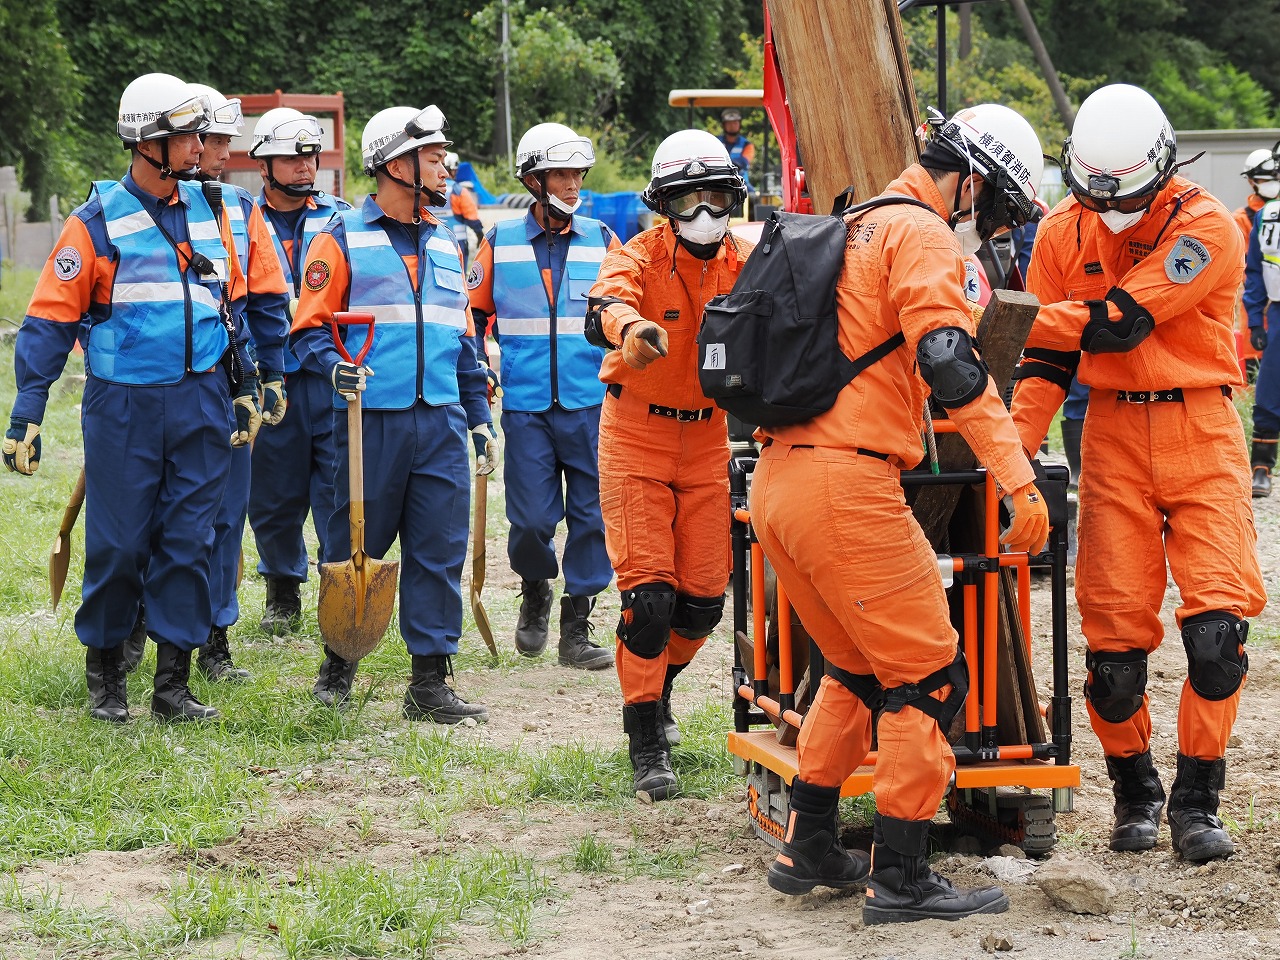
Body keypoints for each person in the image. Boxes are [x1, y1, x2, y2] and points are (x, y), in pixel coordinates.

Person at [749, 104, 1047, 923]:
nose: (997, 229)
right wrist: (1018, 477)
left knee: (852, 667)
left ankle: (809, 842)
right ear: (974, 182)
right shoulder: (919, 234)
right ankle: (903, 877)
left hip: (779, 482)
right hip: (846, 488)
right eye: (1001, 210)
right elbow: (949, 361)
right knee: (931, 675)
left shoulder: (853, 224)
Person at [1010, 84, 1265, 862]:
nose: (1110, 211)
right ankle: (1135, 793)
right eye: (1095, 195)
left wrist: (1011, 310)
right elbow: (1050, 357)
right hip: (1114, 434)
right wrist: (1010, 447)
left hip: (1201, 428)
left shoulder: (1206, 227)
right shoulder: (1060, 231)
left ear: (1162, 167)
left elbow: (1117, 323)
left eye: (1125, 196)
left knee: (1218, 637)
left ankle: (1197, 800)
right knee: (1113, 657)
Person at [3, 73, 261, 722]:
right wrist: (26, 415)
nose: (201, 144)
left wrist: (249, 383)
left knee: (189, 541)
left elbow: (229, 307)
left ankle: (172, 688)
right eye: (188, 135)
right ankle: (107, 680)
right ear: (149, 141)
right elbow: (49, 323)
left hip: (203, 401)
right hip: (124, 410)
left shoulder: (215, 212)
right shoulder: (93, 224)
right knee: (118, 545)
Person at [291, 105, 495, 723]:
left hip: (439, 421)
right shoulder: (341, 236)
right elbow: (307, 329)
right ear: (394, 164)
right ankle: (339, 659)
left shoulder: (447, 237)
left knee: (439, 547)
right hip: (366, 418)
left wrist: (479, 414)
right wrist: (333, 366)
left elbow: (458, 336)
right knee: (354, 538)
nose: (444, 165)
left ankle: (430, 681)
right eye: (432, 156)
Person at [584, 129, 752, 799]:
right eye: (689, 200)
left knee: (702, 607)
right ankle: (645, 738)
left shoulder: (745, 262)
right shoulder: (639, 256)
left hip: (709, 442)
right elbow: (605, 306)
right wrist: (632, 330)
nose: (704, 211)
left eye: (715, 197)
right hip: (636, 437)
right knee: (649, 599)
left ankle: (658, 687)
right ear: (665, 205)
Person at [467, 123, 620, 670]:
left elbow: (625, 315)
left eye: (578, 173)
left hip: (593, 406)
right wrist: (479, 372)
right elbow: (473, 316)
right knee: (532, 521)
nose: (574, 183)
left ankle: (577, 627)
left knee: (592, 517)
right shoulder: (499, 242)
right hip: (528, 408)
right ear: (533, 179)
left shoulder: (603, 240)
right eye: (562, 173)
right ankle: (536, 593)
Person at [181, 83, 291, 681]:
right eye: (213, 138)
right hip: (157, 388)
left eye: (226, 139)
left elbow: (271, 300)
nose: (223, 150)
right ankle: (131, 630)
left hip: (232, 384)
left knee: (225, 515)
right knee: (155, 516)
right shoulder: (127, 209)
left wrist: (271, 374)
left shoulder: (244, 212)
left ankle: (214, 638)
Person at [245, 107, 353, 634]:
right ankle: (281, 591)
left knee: (337, 486)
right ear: (264, 164)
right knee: (273, 490)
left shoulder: (342, 218)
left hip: (328, 373)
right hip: (272, 376)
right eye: (290, 156)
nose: (304, 165)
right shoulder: (242, 221)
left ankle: (337, 587)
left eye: (310, 154)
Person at [1235, 149, 1277, 382]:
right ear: (1251, 181)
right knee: (1257, 383)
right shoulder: (1241, 219)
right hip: (1258, 314)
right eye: (1264, 178)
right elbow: (1243, 270)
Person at [444, 151, 484, 265]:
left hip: (430, 242)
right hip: (457, 244)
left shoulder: (424, 191)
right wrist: (480, 235)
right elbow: (472, 219)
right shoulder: (459, 191)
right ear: (452, 169)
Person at [717, 109, 755, 195]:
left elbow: (744, 162)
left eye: (735, 123)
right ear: (724, 125)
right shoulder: (716, 142)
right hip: (718, 179)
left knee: (752, 196)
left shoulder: (747, 145)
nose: (732, 126)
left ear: (739, 124)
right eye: (729, 123)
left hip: (740, 181)